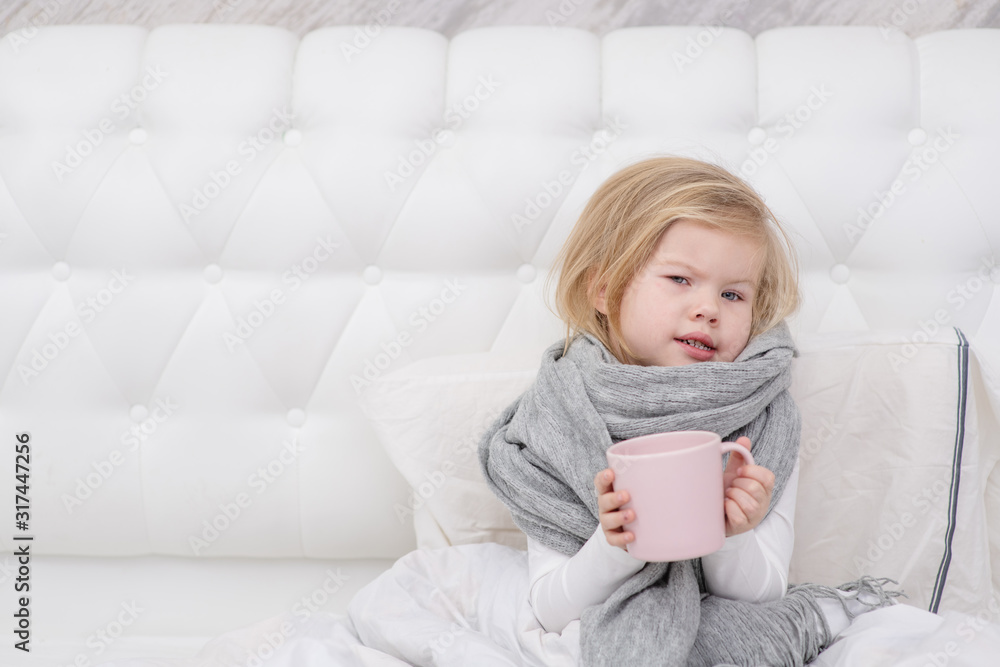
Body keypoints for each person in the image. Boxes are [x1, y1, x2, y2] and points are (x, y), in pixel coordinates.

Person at [479, 156, 901, 666]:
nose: (709, 308)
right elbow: (550, 609)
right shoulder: (553, 422)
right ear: (605, 290)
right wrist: (613, 545)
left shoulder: (763, 416)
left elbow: (762, 595)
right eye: (680, 279)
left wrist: (730, 532)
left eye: (732, 293)